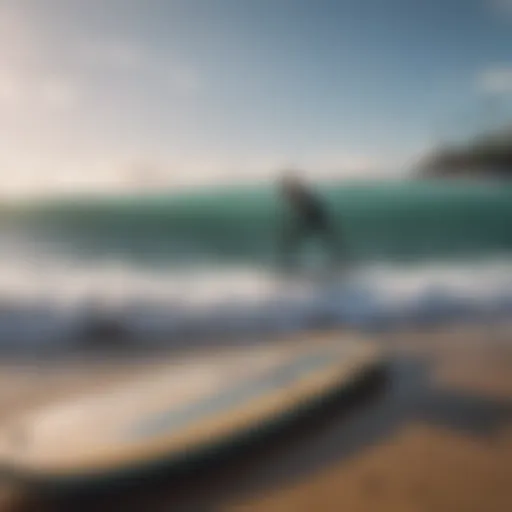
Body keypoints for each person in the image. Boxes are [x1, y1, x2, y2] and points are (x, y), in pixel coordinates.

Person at [277, 172, 341, 271]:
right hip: (310, 218)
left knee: (329, 239)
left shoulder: (298, 192)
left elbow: (309, 206)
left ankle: (342, 259)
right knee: (291, 240)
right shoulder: (295, 192)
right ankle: (287, 262)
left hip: (315, 217)